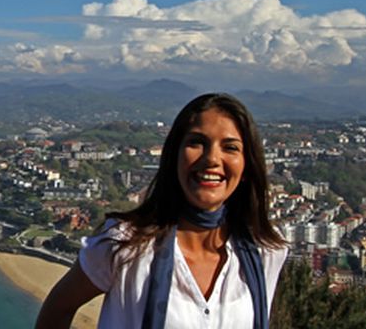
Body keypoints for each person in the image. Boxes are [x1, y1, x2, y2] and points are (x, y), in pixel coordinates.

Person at [35, 93, 287, 329]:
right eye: (197, 143)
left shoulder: (265, 251)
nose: (212, 158)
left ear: (246, 166)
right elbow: (58, 308)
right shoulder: (125, 245)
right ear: (174, 155)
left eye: (230, 147)